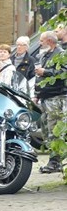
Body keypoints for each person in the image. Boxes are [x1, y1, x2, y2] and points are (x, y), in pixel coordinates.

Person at [34, 31, 67, 174]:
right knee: (46, 130)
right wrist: (37, 94)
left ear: (49, 41)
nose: (40, 43)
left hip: (57, 97)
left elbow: (63, 73)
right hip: (45, 98)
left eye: (42, 41)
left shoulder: (61, 55)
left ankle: (55, 162)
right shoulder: (45, 55)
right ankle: (54, 159)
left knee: (55, 130)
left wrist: (45, 72)